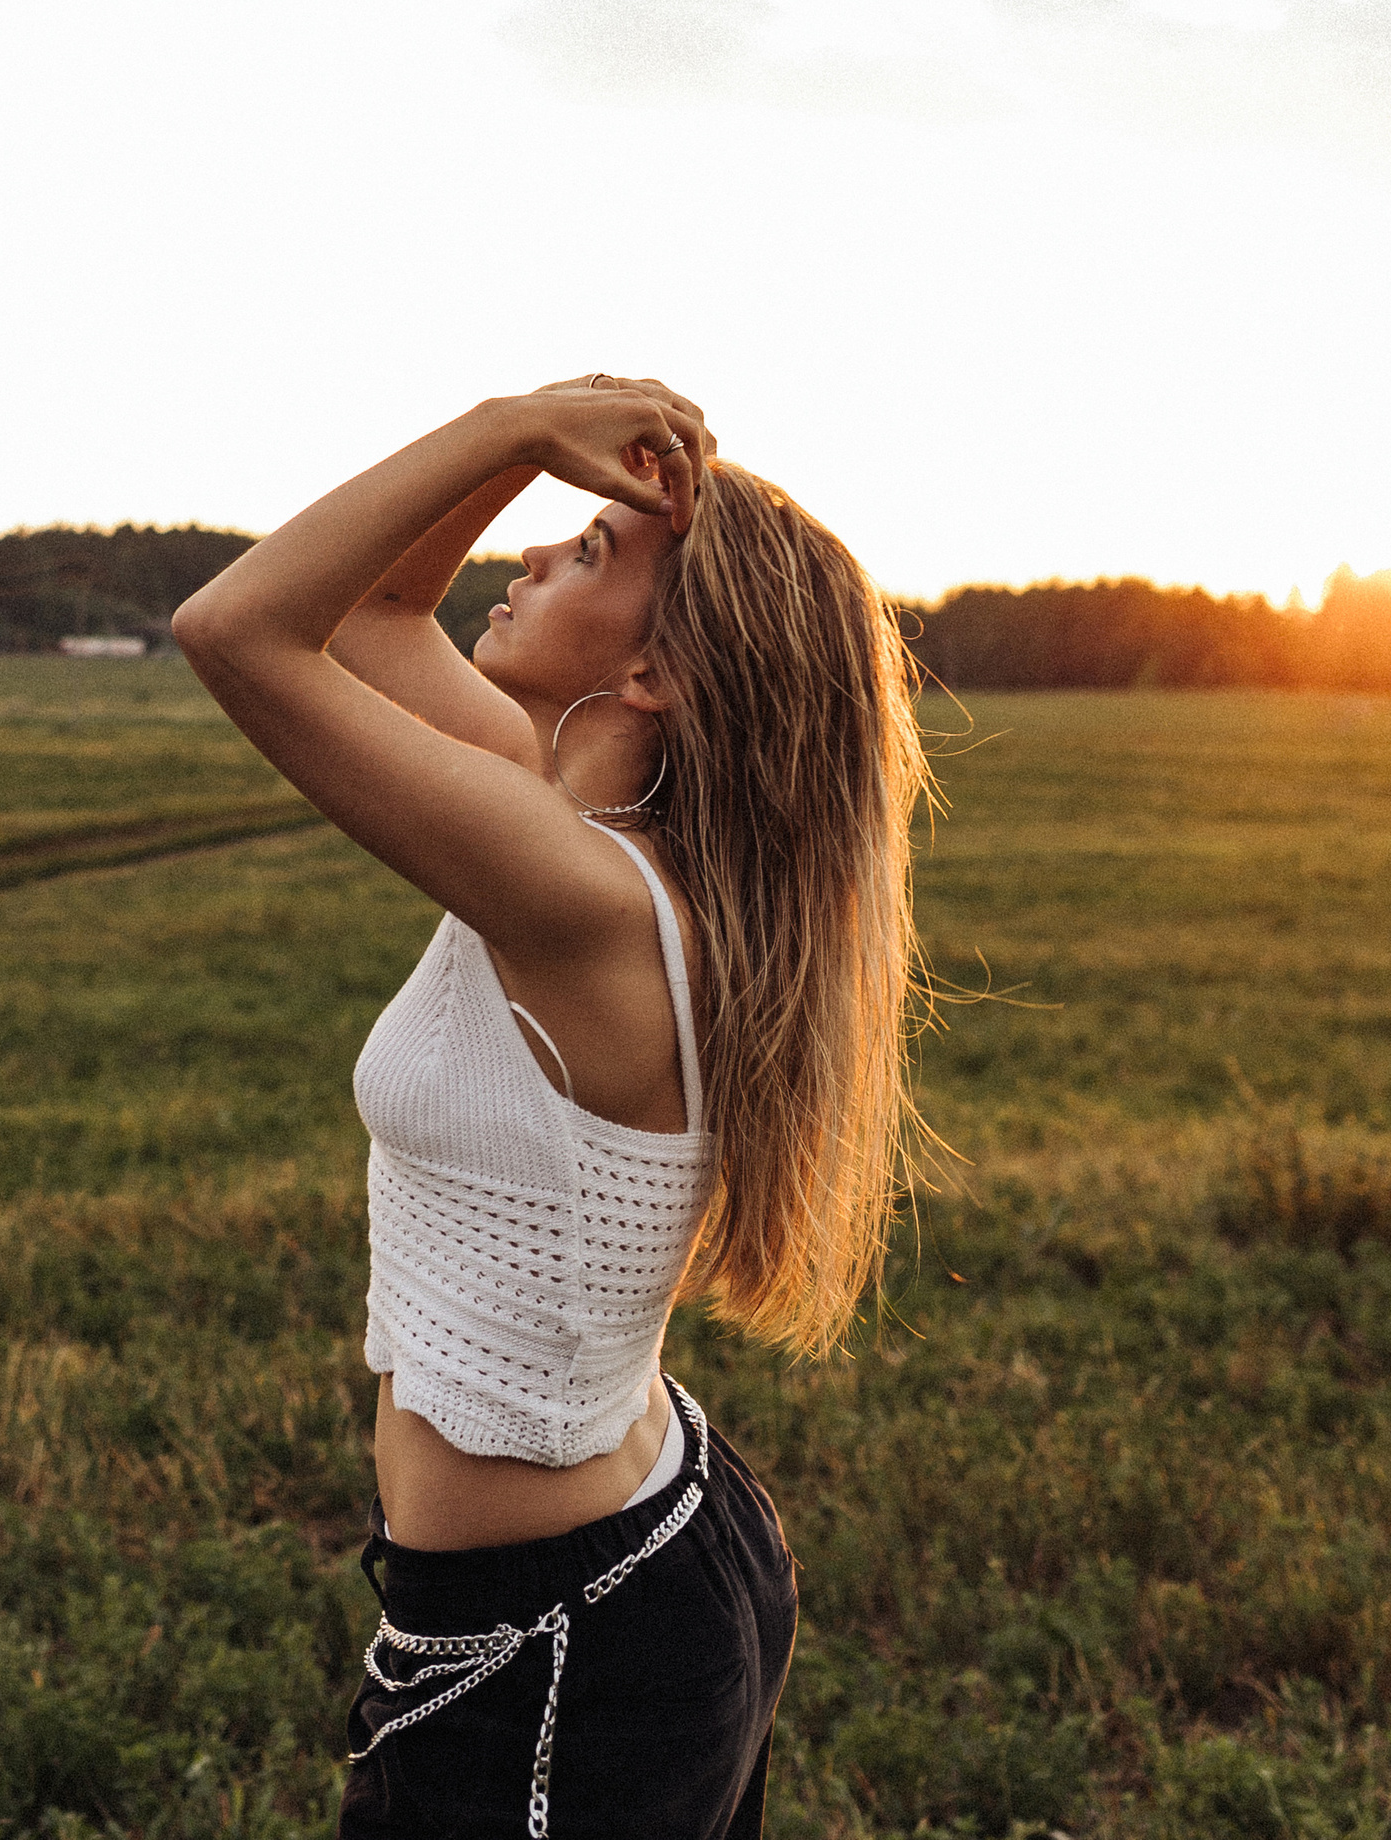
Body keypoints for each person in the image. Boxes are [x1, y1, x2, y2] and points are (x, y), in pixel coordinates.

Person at [172, 375, 929, 1840]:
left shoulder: (579, 893)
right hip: (643, 1548)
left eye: (588, 552)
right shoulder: (573, 826)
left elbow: (239, 627)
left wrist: (519, 423)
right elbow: (385, 615)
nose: (522, 554)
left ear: (657, 677)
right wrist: (527, 446)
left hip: (562, 1641)